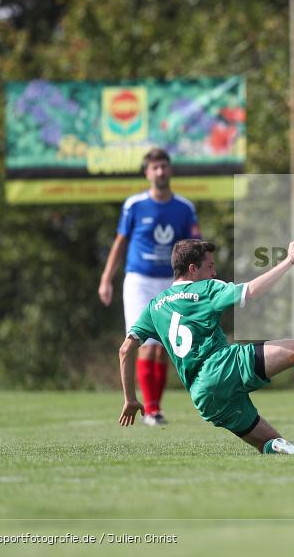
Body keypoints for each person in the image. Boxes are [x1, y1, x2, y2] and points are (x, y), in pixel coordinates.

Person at [117, 238, 294, 455]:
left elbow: (125, 350)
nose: (214, 271)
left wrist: (130, 399)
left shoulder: (154, 306)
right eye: (209, 266)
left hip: (203, 395)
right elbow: (250, 291)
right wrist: (289, 260)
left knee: (269, 443)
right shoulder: (205, 289)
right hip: (224, 366)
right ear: (192, 269)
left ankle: (284, 447)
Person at [99, 148, 200, 426]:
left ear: (170, 170)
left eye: (164, 166)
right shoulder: (134, 205)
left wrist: (200, 281)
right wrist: (107, 278)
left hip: (172, 282)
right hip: (139, 282)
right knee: (143, 343)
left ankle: (154, 408)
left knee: (163, 346)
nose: (160, 172)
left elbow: (194, 248)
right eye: (155, 167)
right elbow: (120, 243)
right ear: (147, 173)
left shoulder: (184, 208)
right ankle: (152, 410)